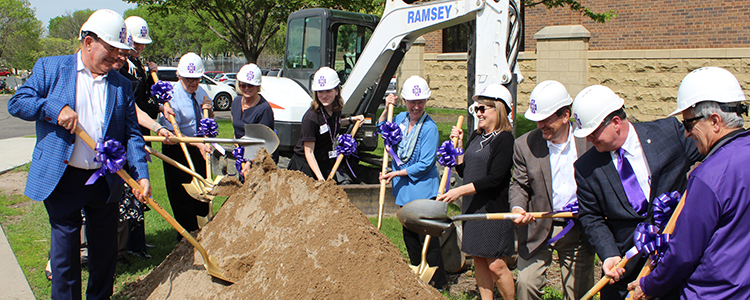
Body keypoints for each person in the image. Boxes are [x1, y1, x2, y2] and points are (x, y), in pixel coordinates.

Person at [7, 9, 151, 299]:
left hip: (105, 182)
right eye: (112, 49)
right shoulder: (52, 69)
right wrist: (54, 109)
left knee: (105, 255)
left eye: (122, 51)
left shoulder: (121, 85)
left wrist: (142, 176)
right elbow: (18, 102)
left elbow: (132, 135)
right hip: (63, 179)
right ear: (88, 42)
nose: (120, 57)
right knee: (65, 258)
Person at [628, 67, 749, 299]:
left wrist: (650, 285)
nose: (686, 134)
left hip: (714, 292)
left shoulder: (709, 176)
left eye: (689, 124)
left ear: (715, 121)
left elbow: (684, 251)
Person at [572, 85, 703, 299]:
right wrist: (609, 254)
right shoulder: (586, 168)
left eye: (593, 132)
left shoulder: (669, 134)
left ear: (615, 123)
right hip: (627, 269)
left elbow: (711, 153)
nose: (588, 140)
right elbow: (591, 216)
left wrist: (702, 168)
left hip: (678, 262)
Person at [509, 80, 595, 300]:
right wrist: (518, 207)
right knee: (526, 285)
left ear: (566, 116)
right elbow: (519, 183)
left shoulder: (589, 142)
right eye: (537, 120)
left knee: (579, 292)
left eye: (546, 120)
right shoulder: (524, 145)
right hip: (538, 226)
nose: (540, 126)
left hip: (577, 227)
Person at [436, 84, 516, 299]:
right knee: (479, 261)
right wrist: (460, 145)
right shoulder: (476, 136)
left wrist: (459, 191)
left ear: (498, 109)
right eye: (476, 108)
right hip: (472, 207)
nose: (478, 113)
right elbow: (464, 170)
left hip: (492, 209)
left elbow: (495, 179)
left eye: (483, 108)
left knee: (496, 265)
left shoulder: (505, 139)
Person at [379, 75, 446, 289]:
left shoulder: (430, 128)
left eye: (420, 102)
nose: (416, 106)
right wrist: (385, 108)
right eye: (412, 102)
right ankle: (417, 272)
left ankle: (437, 282)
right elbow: (383, 129)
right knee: (409, 235)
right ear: (405, 102)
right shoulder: (398, 118)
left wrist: (396, 174)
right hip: (404, 191)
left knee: (427, 238)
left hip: (423, 189)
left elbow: (426, 164)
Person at [157, 52, 213, 234]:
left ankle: (204, 231)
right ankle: (186, 238)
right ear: (179, 75)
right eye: (189, 79)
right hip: (178, 149)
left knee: (202, 194)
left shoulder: (201, 92)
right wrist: (196, 143)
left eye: (196, 78)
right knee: (183, 197)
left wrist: (209, 113)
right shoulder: (171, 97)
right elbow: (172, 133)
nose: (193, 83)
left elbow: (207, 122)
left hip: (200, 149)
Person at [287, 67, 364, 181]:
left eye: (328, 91)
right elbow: (309, 152)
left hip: (323, 162)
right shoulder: (311, 118)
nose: (324, 95)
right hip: (306, 167)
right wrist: (320, 179)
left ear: (336, 91)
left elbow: (332, 125)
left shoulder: (335, 109)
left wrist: (351, 120)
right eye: (320, 92)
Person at [231, 63, 277, 169]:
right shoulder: (236, 102)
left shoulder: (264, 108)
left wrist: (249, 162)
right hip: (242, 156)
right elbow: (235, 124)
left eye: (250, 85)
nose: (246, 88)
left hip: (259, 160)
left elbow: (264, 142)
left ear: (257, 86)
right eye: (243, 85)